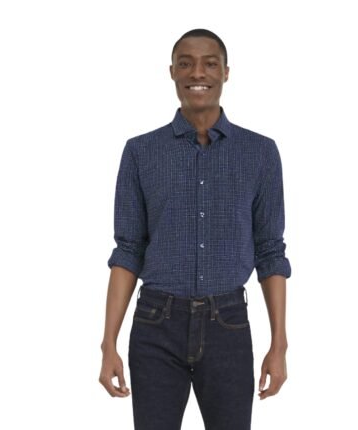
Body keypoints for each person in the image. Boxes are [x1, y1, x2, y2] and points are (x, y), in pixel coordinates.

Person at [99, 28, 292, 430]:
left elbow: (270, 251)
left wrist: (279, 344)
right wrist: (108, 343)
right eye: (185, 63)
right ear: (172, 72)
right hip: (156, 325)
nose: (197, 73)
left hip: (229, 326)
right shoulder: (140, 152)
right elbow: (128, 250)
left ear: (226, 72)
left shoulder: (260, 153)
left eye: (209, 63)